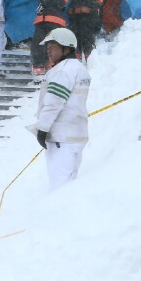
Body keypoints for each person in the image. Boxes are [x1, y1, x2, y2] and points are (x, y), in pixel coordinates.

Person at [34, 27, 91, 190]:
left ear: (66, 48)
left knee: (60, 187)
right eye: (47, 46)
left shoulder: (62, 71)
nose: (48, 50)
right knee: (69, 186)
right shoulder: (79, 68)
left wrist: (43, 129)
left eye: (52, 46)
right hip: (74, 135)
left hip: (62, 138)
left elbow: (53, 102)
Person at [20, 0, 70, 79]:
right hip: (57, 19)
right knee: (53, 46)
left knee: (39, 44)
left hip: (48, 18)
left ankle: (39, 73)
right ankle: (52, 71)